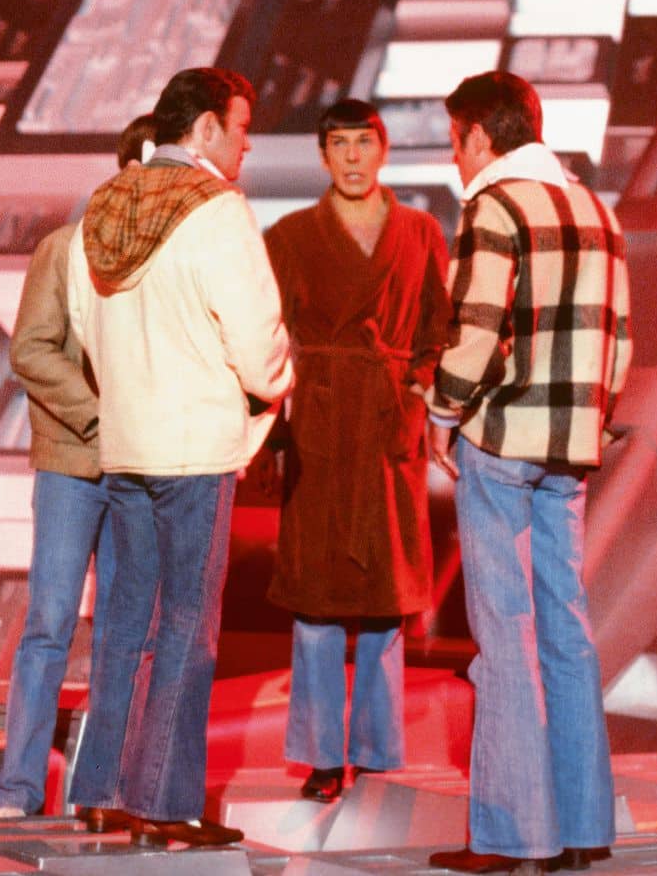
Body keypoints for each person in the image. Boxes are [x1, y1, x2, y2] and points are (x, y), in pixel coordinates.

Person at [66, 67, 294, 845]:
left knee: (124, 623)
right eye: (238, 128)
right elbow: (256, 337)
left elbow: (80, 323)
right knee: (188, 624)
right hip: (193, 445)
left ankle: (99, 788)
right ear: (202, 130)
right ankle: (165, 804)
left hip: (125, 441)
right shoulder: (218, 211)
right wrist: (273, 389)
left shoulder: (102, 203)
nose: (245, 144)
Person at [424, 72, 631, 875]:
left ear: (479, 134)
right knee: (567, 631)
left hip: (503, 438)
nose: (454, 154)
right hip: (571, 445)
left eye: (454, 138)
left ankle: (514, 837)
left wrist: (441, 414)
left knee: (503, 635)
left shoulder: (496, 204)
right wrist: (592, 422)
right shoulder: (595, 207)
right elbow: (619, 340)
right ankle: (581, 829)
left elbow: (475, 330)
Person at [264, 99, 450, 803]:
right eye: (337, 144)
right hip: (316, 423)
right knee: (315, 600)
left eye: (361, 143)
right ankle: (318, 755)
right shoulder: (287, 235)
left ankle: (375, 747)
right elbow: (266, 339)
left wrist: (421, 391)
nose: (350, 157)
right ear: (322, 155)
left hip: (386, 420)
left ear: (383, 150)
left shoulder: (421, 230)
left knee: (384, 597)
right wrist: (271, 428)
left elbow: (439, 325)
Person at [0, 114, 155, 820]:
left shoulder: (164, 261)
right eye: (141, 176)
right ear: (119, 171)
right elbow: (29, 349)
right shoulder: (61, 248)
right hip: (70, 460)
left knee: (125, 630)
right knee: (50, 622)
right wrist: (98, 414)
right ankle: (15, 791)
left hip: (141, 465)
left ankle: (103, 789)